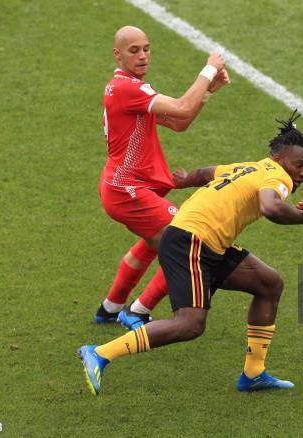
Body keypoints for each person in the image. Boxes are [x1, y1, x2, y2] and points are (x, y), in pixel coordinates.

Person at [79, 111, 303, 394]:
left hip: (204, 241)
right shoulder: (279, 177)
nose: (302, 172)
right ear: (280, 160)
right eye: (300, 164)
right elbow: (270, 207)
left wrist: (183, 181)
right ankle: (99, 353)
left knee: (269, 283)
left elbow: (206, 173)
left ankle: (254, 374)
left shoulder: (250, 167)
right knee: (190, 324)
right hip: (192, 242)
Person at [95, 25, 230, 326]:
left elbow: (179, 122)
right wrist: (208, 70)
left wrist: (206, 91)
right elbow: (182, 108)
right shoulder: (129, 89)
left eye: (146, 49)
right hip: (126, 189)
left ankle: (111, 306)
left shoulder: (130, 88)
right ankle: (138, 310)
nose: (143, 56)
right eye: (134, 51)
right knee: (189, 240)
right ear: (117, 54)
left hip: (126, 186)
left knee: (155, 242)